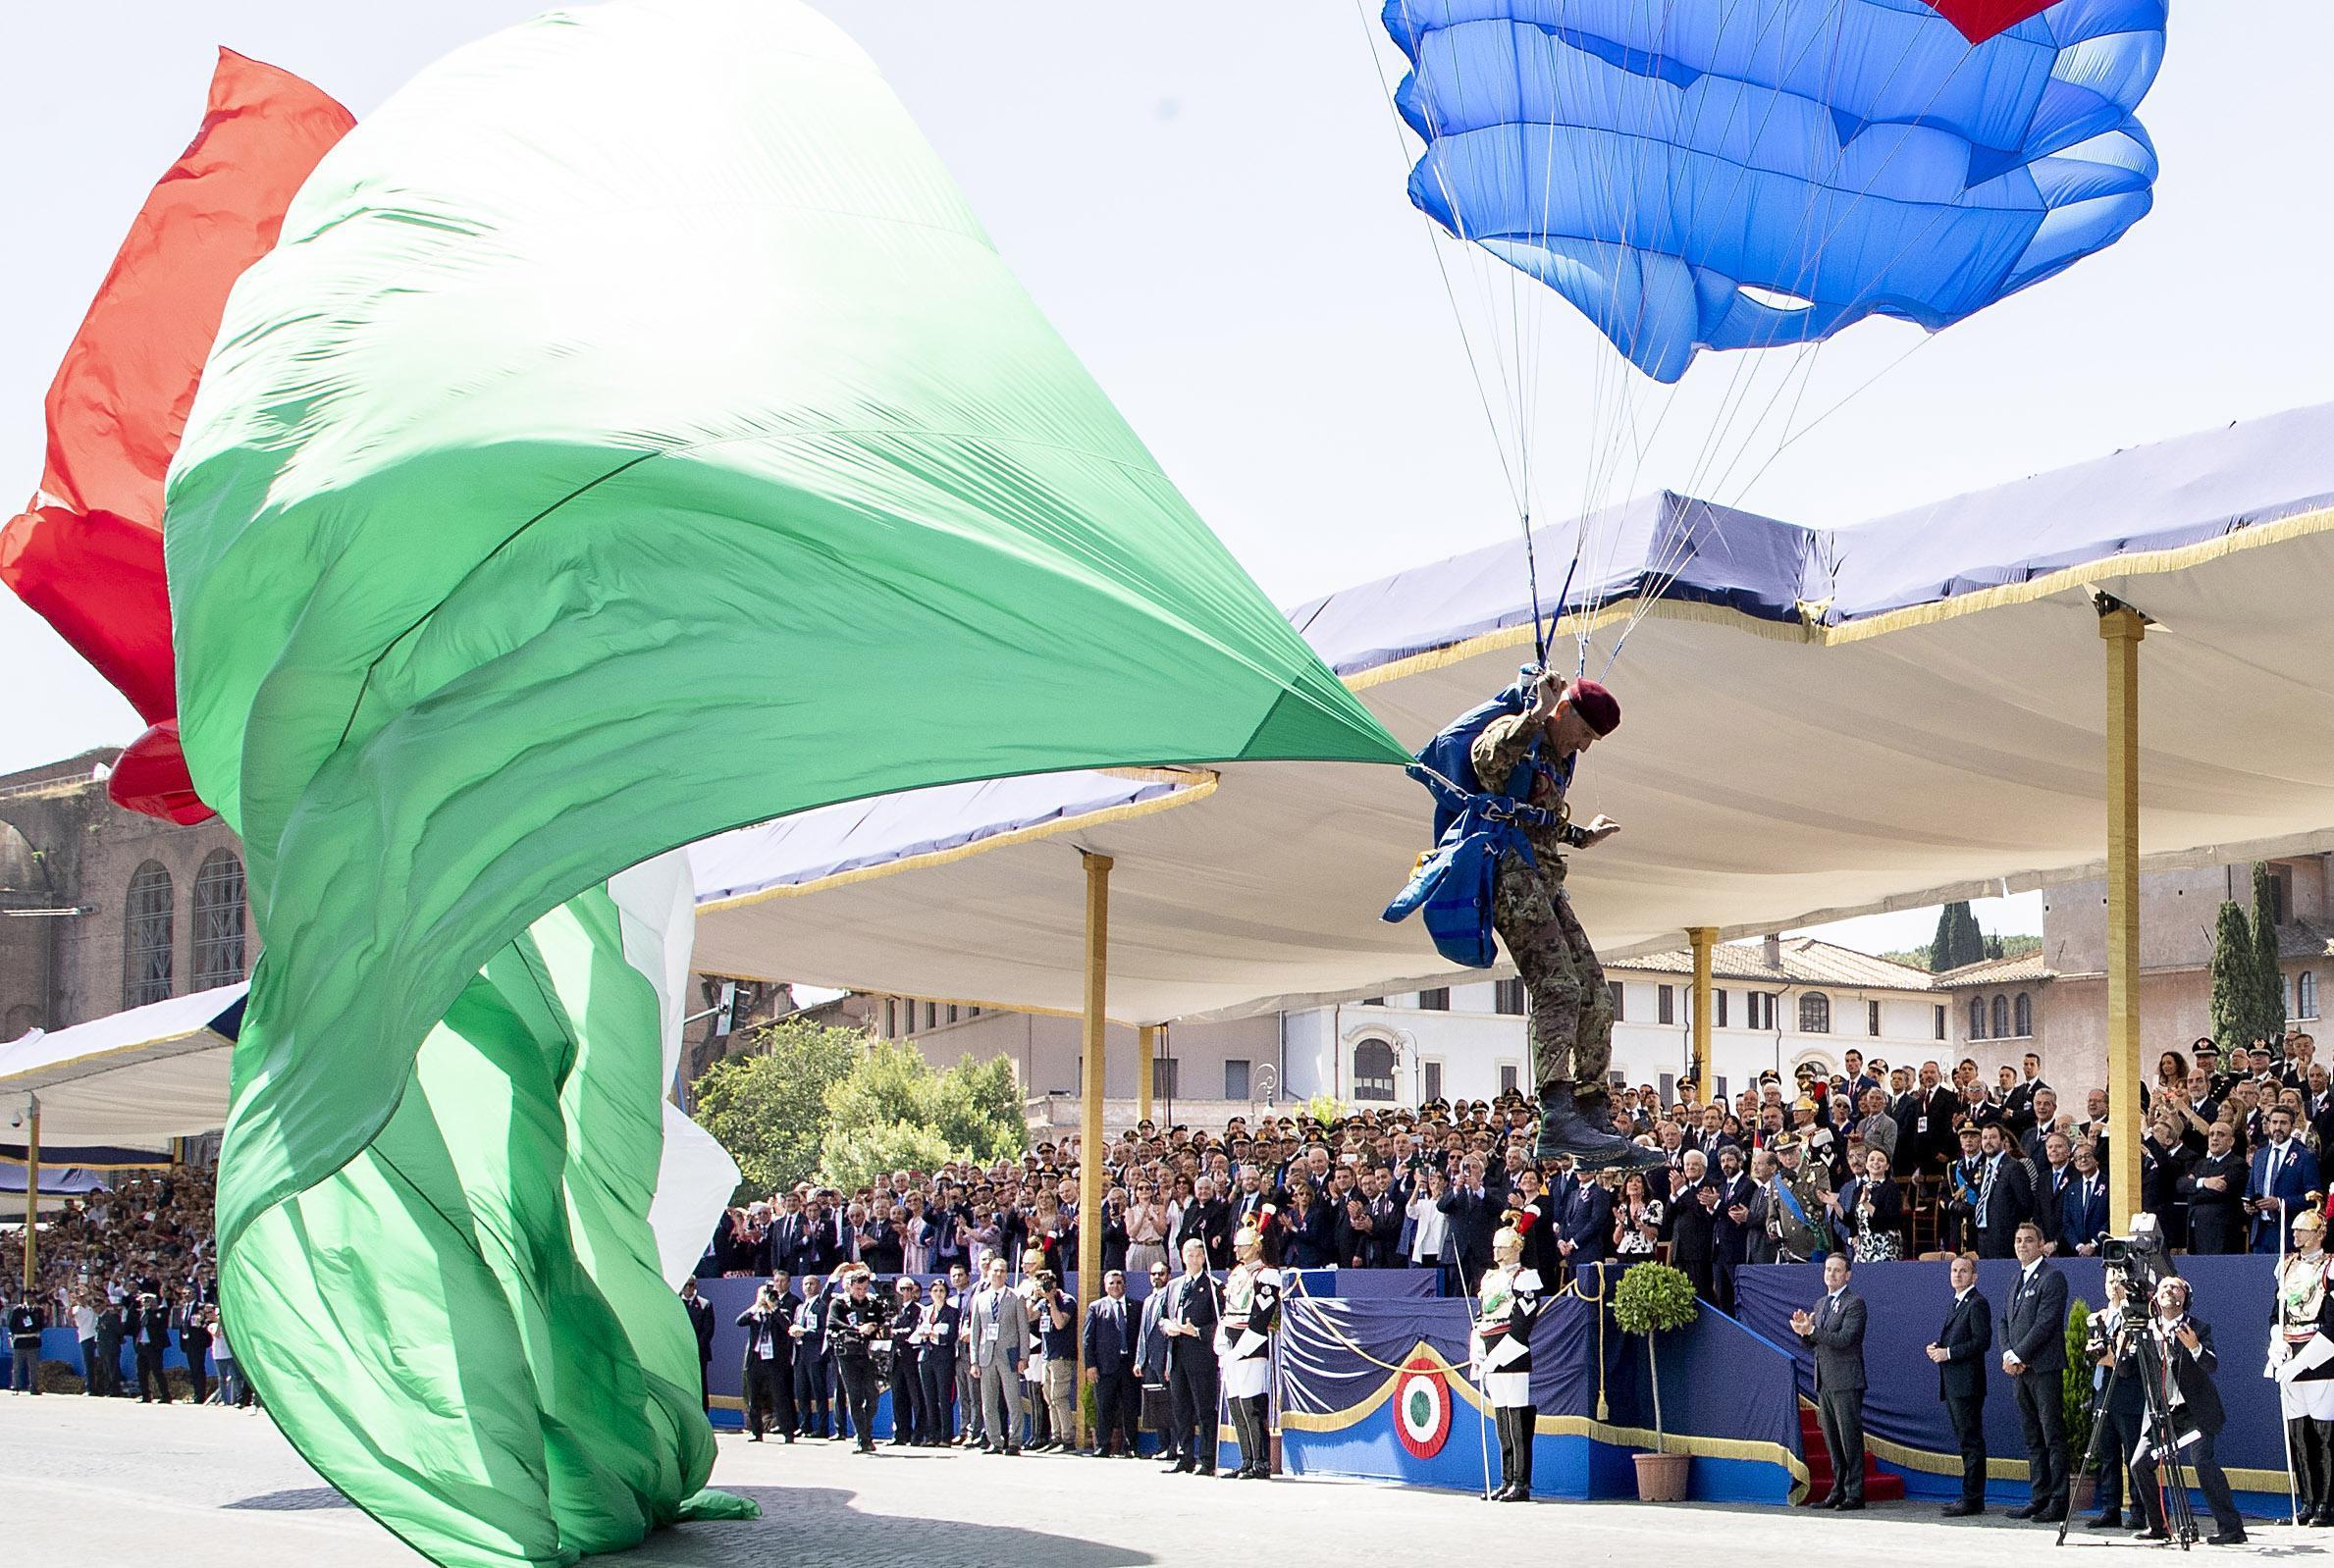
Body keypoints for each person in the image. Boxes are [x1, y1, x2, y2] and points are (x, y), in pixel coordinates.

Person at [1462, 671, 1651, 1169]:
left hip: (1543, 875)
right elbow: (1486, 765)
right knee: (1558, 985)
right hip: (1507, 871)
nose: (1584, 749)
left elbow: (1538, 814)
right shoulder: (1519, 732)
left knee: (1596, 991)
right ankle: (1556, 1112)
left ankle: (1590, 1111)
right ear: (1563, 712)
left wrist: (1582, 836)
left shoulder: (1558, 756)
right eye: (1585, 734)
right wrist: (1535, 716)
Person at [2131, 1277, 2247, 1545]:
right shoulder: (2146, 1330)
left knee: (2202, 1461)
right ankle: (2158, 1525)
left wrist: (2194, 1347)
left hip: (2195, 1411)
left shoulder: (2198, 1327)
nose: (2168, 1291)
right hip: (2162, 1412)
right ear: (2155, 1298)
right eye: (2163, 1288)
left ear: (2185, 1297)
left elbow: (2211, 1365)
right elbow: (2126, 1371)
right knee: (2139, 1463)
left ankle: (2232, 1529)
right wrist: (2123, 1345)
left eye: (2175, 1287)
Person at [2000, 1222, 2069, 1523]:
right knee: (2032, 1437)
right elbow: (2005, 1321)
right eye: (2018, 1240)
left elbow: (2046, 1323)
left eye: (2028, 1240)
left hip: (2044, 1369)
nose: (2022, 1245)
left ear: (2041, 1244)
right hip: (2020, 1371)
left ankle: (2058, 1500)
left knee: (2052, 1434)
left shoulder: (2053, 1277)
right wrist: (2007, 1354)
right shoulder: (2017, 1278)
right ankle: (2038, 1497)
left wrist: (2020, 1354)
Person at [1475, 1225, 1545, 1502]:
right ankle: (1505, 1479)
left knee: (1517, 1419)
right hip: (1490, 1346)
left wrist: (1499, 1354)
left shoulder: (1525, 1277)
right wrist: (1479, 1350)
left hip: (1512, 1351)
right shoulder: (1490, 1278)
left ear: (1515, 1248)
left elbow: (1523, 1322)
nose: (1496, 1252)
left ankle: (1521, 1481)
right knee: (1501, 1418)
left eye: (1501, 1247)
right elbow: (1482, 1316)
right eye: (1495, 1246)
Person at [1792, 1254, 1867, 1511]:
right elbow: (1816, 1343)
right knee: (1832, 1440)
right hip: (1824, 1379)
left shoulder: (1855, 1303)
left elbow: (1845, 1338)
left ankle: (1854, 1492)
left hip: (1846, 1379)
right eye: (1828, 1269)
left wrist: (1813, 1331)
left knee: (1849, 1438)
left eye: (1837, 1271)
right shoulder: (1821, 1303)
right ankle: (1837, 1490)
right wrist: (1804, 1330)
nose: (1831, 1275)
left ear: (1848, 1275)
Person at [2274, 1210, 2334, 1526]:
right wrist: (2275, 1341)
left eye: (2303, 1230)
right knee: (2298, 1435)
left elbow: (2333, 1323)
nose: (2295, 1235)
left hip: (2321, 1357)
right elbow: (2276, 1312)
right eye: (2294, 1229)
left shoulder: (2330, 1266)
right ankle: (2307, 1501)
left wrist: (2303, 1360)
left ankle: (2327, 1503)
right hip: (2289, 1352)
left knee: (2323, 1434)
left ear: (2319, 1233)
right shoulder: (2286, 1265)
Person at [1927, 1253, 1991, 1517]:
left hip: (1967, 1384)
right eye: (1954, 1270)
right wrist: (1938, 1349)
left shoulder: (1976, 1303)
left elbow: (1981, 1342)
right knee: (1965, 1440)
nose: (1957, 1275)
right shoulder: (1957, 1303)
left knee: (1971, 1440)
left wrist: (1948, 1353)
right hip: (1954, 1382)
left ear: (1974, 1276)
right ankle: (1970, 1495)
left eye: (1963, 1271)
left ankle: (1973, 1498)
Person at [1217, 1226, 1282, 1480]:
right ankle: (1245, 1459)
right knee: (1234, 1403)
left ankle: (1260, 1461)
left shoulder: (1267, 1276)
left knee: (1251, 1403)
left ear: (1255, 1246)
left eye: (1241, 1245)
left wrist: (1241, 1348)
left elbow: (1261, 1316)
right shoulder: (1236, 1274)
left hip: (1252, 1342)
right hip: (1231, 1337)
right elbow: (1227, 1309)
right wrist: (1221, 1340)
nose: (1236, 1250)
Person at [2084, 1271, 2144, 1531]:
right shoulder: (2099, 1317)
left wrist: (2110, 1357)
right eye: (2109, 1281)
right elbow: (2091, 1356)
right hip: (2102, 1391)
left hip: (2128, 1394)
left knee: (2133, 1456)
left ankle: (2139, 1510)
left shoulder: (2135, 1318)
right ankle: (2110, 1508)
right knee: (2106, 1454)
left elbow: (2129, 1362)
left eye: (2119, 1281)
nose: (2114, 1287)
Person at [1159, 1236, 1223, 1476]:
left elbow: (1219, 1323)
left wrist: (1195, 1331)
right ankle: (1185, 1456)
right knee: (1180, 1407)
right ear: (1182, 1257)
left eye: (1198, 1255)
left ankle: (1207, 1460)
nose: (1194, 1259)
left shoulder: (1213, 1286)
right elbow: (1162, 1317)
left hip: (1200, 1355)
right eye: (1189, 1255)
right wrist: (1167, 1327)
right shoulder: (1174, 1286)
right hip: (1177, 1353)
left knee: (1204, 1407)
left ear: (1204, 1257)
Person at [824, 1266, 888, 1455]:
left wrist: (873, 1326)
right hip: (847, 1354)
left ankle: (866, 1431)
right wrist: (858, 1329)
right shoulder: (839, 1304)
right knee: (855, 1397)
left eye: (864, 1289)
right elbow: (832, 1322)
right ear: (850, 1287)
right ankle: (863, 1438)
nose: (861, 1293)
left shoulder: (873, 1303)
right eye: (858, 1289)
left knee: (873, 1397)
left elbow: (887, 1314)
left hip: (869, 1355)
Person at [971, 1254, 1029, 1455]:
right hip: (987, 1356)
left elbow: (1023, 1329)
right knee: (988, 1402)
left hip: (1009, 1355)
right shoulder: (980, 1298)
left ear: (1007, 1274)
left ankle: (1015, 1441)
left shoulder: (1016, 1297)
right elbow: (975, 1331)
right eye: (995, 1270)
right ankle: (995, 1440)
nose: (998, 1273)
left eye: (1002, 1270)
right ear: (988, 1272)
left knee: (1013, 1400)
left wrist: (1024, 1357)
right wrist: (974, 1360)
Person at [1082, 1269, 1141, 1457]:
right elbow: (1087, 1339)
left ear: (1125, 1284)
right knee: (1104, 1407)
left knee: (1130, 1407)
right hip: (1105, 1367)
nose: (1115, 1286)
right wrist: (1090, 1365)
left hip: (1129, 1366)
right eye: (1111, 1283)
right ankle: (1103, 1445)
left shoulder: (1136, 1307)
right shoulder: (1096, 1307)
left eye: (1118, 1282)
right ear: (1105, 1287)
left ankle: (1130, 1446)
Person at [2249, 1105, 2322, 1254]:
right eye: (2274, 1122)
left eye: (2283, 1123)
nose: (2278, 1127)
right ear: (2268, 1124)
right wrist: (2249, 1204)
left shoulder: (2305, 1156)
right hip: (2260, 1233)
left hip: (2288, 1233)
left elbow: (2314, 1197)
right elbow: (2251, 1188)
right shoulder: (2260, 1155)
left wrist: (2280, 1203)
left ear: (2292, 1126)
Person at [737, 1280, 795, 1442]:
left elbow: (787, 1326)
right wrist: (757, 1306)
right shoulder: (755, 1314)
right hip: (755, 1360)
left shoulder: (780, 1312)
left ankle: (787, 1432)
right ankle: (756, 1431)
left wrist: (773, 1307)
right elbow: (739, 1321)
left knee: (780, 1397)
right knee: (753, 1397)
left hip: (773, 1362)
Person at [2182, 1120, 2249, 1254]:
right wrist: (2204, 1182)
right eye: (2211, 1134)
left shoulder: (2237, 1164)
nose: (2215, 1138)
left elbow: (2218, 1193)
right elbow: (2181, 1185)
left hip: (2221, 1232)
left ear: (2231, 1141)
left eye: (2221, 1134)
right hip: (2196, 1228)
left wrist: (2194, 1189)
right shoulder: (2201, 1163)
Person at [1135, 1259, 1176, 1462]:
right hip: (1150, 1361)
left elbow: (1171, 1335)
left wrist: (1169, 1363)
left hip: (1164, 1360)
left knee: (1170, 1403)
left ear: (1168, 1276)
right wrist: (1139, 1360)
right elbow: (1143, 1333)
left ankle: (1174, 1447)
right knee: (1156, 1404)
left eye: (1160, 1273)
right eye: (1153, 1274)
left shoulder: (1170, 1298)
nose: (1156, 1277)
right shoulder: (1149, 1300)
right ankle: (1163, 1445)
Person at [790, 1274, 832, 1438]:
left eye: (811, 1284)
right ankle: (804, 1425)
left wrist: (806, 1332)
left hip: (815, 1354)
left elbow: (824, 1331)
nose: (808, 1287)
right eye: (805, 1284)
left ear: (818, 1286)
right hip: (799, 1353)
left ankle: (822, 1428)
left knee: (819, 1391)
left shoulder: (822, 1306)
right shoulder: (800, 1307)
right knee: (802, 1391)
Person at [888, 1276, 925, 1447]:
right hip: (895, 1358)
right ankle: (900, 1434)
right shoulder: (893, 1310)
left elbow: (911, 1331)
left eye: (909, 1289)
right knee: (898, 1397)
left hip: (911, 1358)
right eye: (902, 1289)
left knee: (916, 1397)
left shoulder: (918, 1310)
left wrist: (894, 1333)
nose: (906, 1293)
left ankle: (918, 1435)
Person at [678, 1277, 716, 1411]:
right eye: (685, 1285)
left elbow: (708, 1330)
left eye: (691, 1285)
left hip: (699, 1353)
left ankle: (703, 1413)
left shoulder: (705, 1304)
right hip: (680, 1352)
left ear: (695, 1286)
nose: (688, 1288)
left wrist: (694, 1348)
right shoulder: (675, 1303)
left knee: (701, 1384)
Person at [134, 1291, 172, 1404]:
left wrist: (149, 1310)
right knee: (141, 1372)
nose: (146, 1303)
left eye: (149, 1301)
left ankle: (165, 1395)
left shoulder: (161, 1311)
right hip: (142, 1345)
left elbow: (157, 1323)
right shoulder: (141, 1313)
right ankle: (145, 1395)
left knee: (157, 1371)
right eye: (144, 1301)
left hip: (154, 1346)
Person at [5, 1294, 42, 1395]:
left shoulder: (38, 1310)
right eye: (29, 1297)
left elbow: (41, 1324)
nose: (31, 1299)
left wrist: (33, 1330)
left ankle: (34, 1387)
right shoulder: (18, 1310)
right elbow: (12, 1324)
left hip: (33, 1341)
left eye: (32, 1297)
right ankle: (16, 1386)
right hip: (20, 1341)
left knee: (33, 1366)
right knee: (17, 1365)